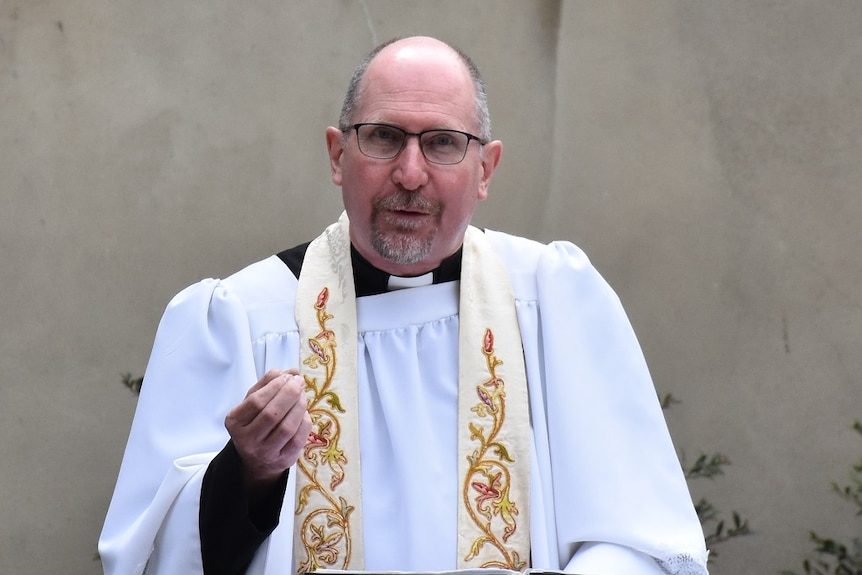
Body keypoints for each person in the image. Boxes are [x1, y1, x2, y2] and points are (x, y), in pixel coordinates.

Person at [99, 36, 709, 575]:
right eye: (384, 138)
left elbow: (640, 541)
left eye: (444, 143)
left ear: (485, 168)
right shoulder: (240, 318)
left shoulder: (554, 304)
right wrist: (248, 474)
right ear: (339, 156)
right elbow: (151, 557)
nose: (410, 173)